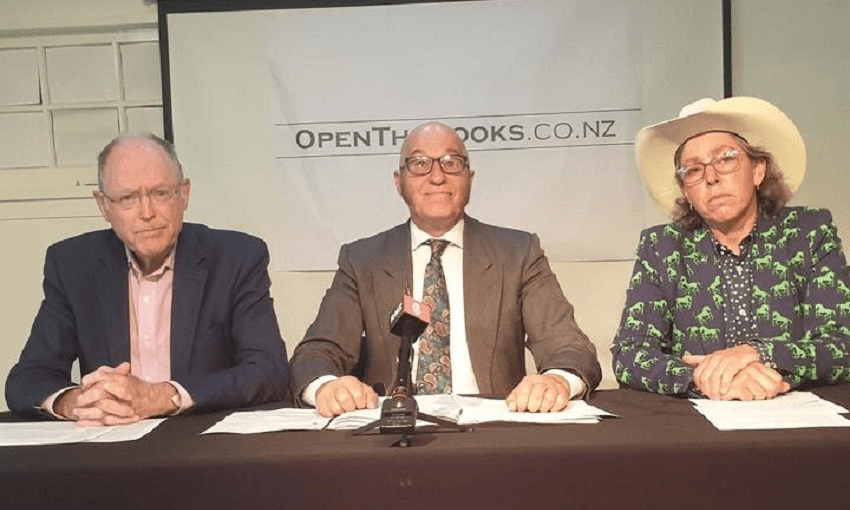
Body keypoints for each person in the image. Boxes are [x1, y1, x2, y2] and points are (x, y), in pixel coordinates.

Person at [290, 121, 601, 417]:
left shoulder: (518, 253)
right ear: (399, 181)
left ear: (469, 178)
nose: (437, 176)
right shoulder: (361, 260)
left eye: (451, 162)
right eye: (420, 163)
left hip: (493, 435)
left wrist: (557, 381)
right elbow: (317, 352)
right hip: (389, 434)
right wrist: (327, 387)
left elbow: (570, 346)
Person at [5, 134, 290, 424]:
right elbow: (28, 378)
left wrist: (162, 397)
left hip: (203, 445)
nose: (147, 213)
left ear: (184, 194)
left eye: (160, 193)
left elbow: (269, 370)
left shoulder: (236, 258)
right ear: (103, 206)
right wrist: (77, 402)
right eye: (128, 198)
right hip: (111, 443)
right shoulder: (73, 266)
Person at [613, 96, 850, 400]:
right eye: (693, 170)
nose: (711, 177)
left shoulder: (807, 233)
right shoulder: (662, 247)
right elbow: (629, 355)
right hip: (701, 427)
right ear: (686, 190)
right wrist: (705, 378)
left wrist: (758, 354)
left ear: (757, 170)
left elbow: (842, 343)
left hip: (795, 420)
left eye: (725, 158)